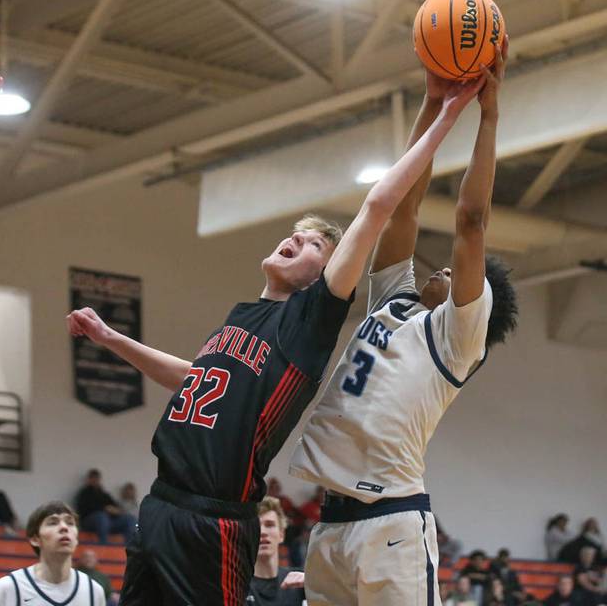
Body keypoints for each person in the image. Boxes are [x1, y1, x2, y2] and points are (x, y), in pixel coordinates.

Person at [67, 71, 482, 606]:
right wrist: (111, 338)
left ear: (325, 275)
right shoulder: (244, 315)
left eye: (312, 244)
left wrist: (443, 114)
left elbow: (379, 206)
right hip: (161, 504)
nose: (296, 240)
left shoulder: (311, 321)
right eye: (296, 234)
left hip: (214, 519)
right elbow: (194, 379)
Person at [290, 38, 517, 606]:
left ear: (476, 300)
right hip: (332, 522)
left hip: (390, 520)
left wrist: (487, 114)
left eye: (459, 273)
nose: (441, 265)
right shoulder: (394, 300)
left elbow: (470, 221)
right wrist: (432, 99)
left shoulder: (458, 338)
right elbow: (404, 203)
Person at [0, 500, 106, 606]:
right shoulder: (7, 589)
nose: (64, 527)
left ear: (77, 537)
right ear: (35, 539)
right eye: (53, 522)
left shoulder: (93, 591)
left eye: (70, 522)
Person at [247, 496, 305, 606]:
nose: (263, 532)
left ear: (281, 534)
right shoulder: (236, 585)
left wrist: (316, 584)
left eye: (269, 525)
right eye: (256, 526)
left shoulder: (298, 579)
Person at [75, 470, 136, 545]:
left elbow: (114, 505)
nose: (95, 480)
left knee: (130, 519)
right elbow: (83, 510)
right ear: (89, 479)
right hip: (91, 522)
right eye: (93, 478)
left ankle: (128, 547)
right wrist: (105, 509)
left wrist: (117, 510)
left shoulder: (103, 494)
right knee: (102, 517)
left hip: (108, 522)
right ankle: (104, 545)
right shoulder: (84, 493)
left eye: (97, 478)